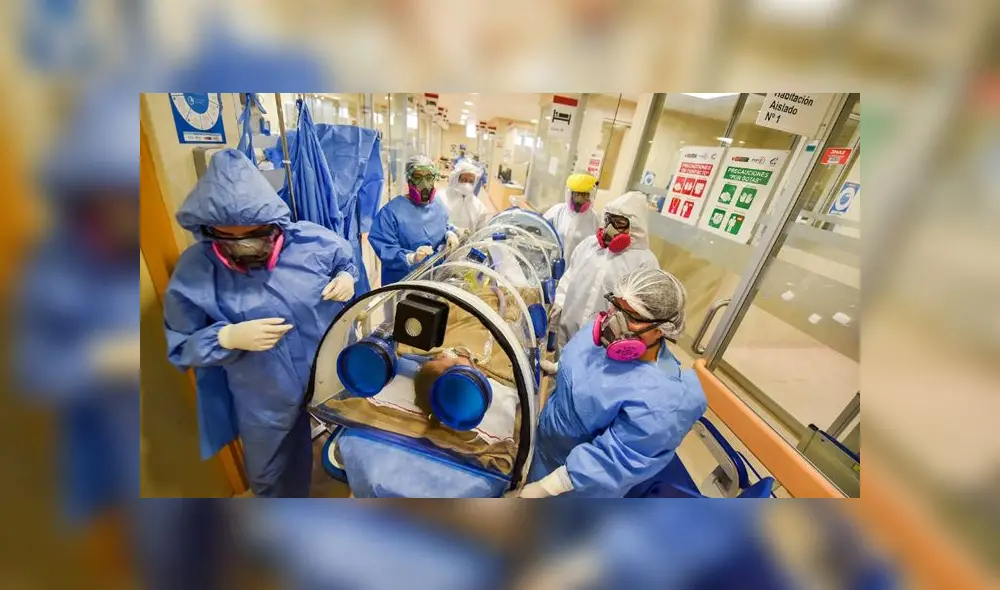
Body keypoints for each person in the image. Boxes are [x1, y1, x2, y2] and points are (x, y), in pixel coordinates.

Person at [163, 149, 358, 498]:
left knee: (353, 447)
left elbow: (347, 260)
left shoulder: (312, 242)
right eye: (231, 237)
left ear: (274, 222)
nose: (246, 244)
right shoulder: (196, 270)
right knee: (270, 474)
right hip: (263, 393)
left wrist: (347, 276)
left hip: (327, 373)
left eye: (255, 232)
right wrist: (226, 336)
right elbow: (179, 344)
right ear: (209, 231)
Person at [521, 268, 706, 498]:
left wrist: (548, 487)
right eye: (616, 306)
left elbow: (614, 460)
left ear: (661, 330)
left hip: (574, 482)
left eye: (633, 317)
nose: (616, 321)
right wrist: (559, 369)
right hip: (545, 441)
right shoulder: (601, 335)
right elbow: (585, 369)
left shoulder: (664, 400)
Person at [550, 190, 659, 348]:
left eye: (619, 224)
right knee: (564, 357)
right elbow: (570, 276)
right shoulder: (589, 245)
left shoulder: (645, 262)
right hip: (569, 325)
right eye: (609, 220)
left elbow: (643, 309)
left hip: (606, 338)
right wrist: (559, 302)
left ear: (635, 227)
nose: (610, 228)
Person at [368, 155, 459, 286]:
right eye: (417, 177)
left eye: (428, 177)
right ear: (408, 179)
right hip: (403, 284)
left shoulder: (437, 204)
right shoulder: (391, 213)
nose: (424, 183)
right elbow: (385, 247)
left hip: (435, 279)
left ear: (434, 178)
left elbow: (442, 224)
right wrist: (411, 258)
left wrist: (450, 233)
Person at [543, 172, 599, 261]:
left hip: (577, 268)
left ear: (590, 196)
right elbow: (540, 229)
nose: (580, 199)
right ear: (570, 194)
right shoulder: (557, 211)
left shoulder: (595, 219)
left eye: (584, 194)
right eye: (577, 194)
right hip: (552, 263)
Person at [439, 160, 491, 235]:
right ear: (456, 179)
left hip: (467, 245)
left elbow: (479, 233)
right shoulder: (441, 198)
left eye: (471, 181)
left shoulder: (480, 208)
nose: (467, 184)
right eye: (464, 180)